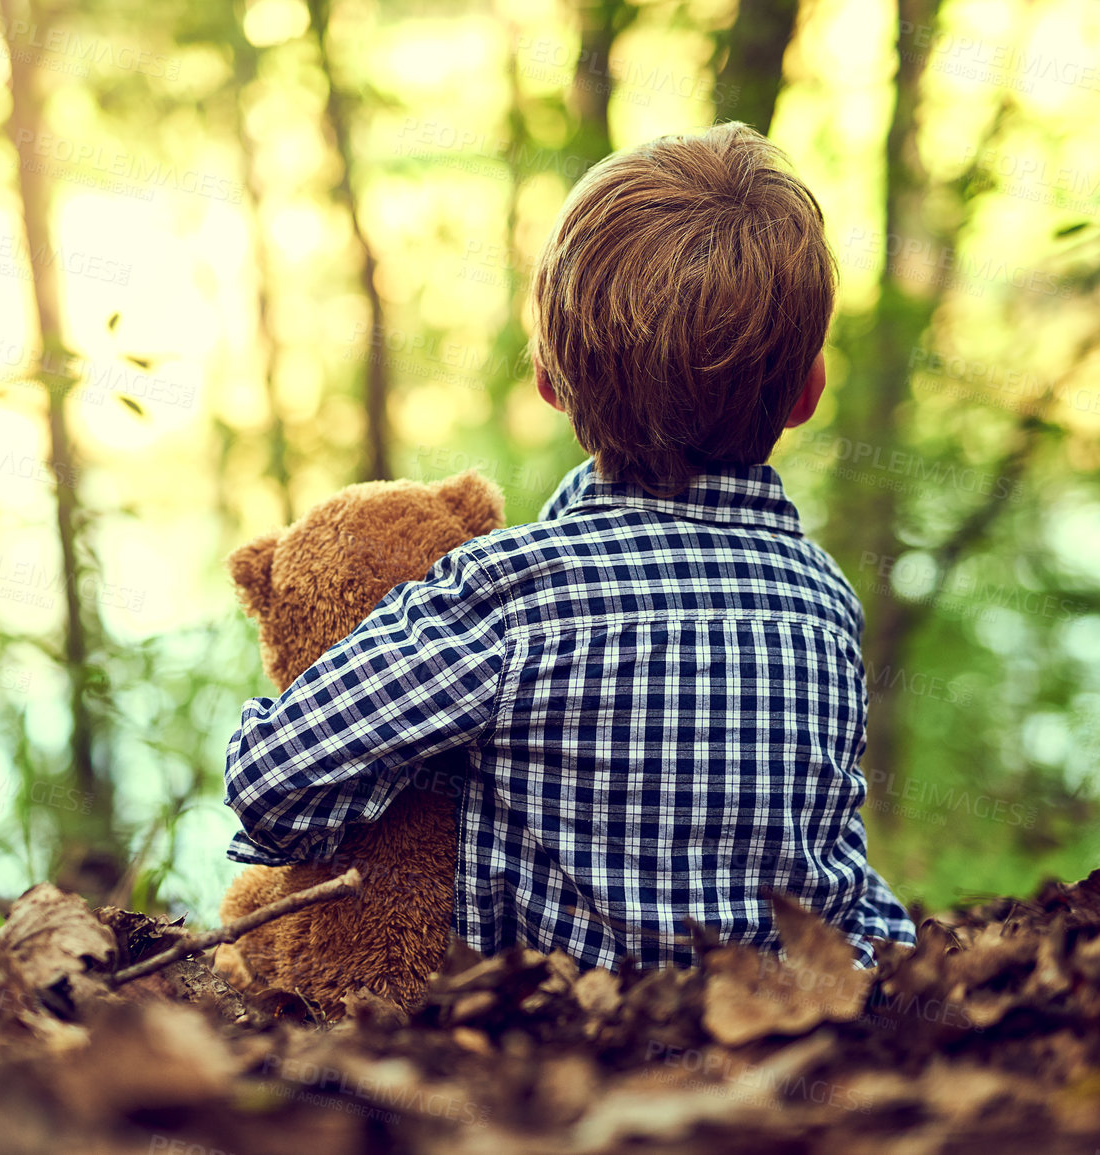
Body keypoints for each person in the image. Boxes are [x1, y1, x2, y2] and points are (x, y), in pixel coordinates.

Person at [224, 122, 916, 969]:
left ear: (549, 381)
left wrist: (424, 780)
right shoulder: (824, 601)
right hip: (794, 1018)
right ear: (807, 392)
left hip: (558, 1045)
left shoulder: (508, 595)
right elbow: (828, 859)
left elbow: (272, 780)